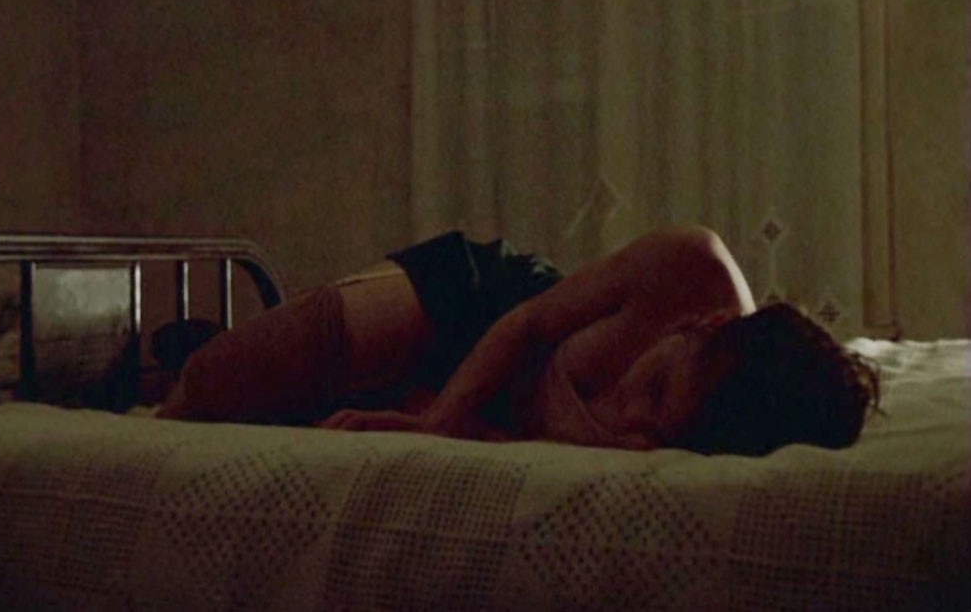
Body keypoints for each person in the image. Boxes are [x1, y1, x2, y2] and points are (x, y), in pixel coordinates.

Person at [155, 226, 880, 456]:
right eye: (657, 387)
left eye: (662, 426)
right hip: (474, 303)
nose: (636, 417)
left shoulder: (717, 420)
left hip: (484, 398)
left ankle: (184, 351)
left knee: (283, 410)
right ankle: (189, 351)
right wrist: (436, 425)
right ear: (706, 327)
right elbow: (528, 325)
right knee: (205, 387)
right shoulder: (691, 266)